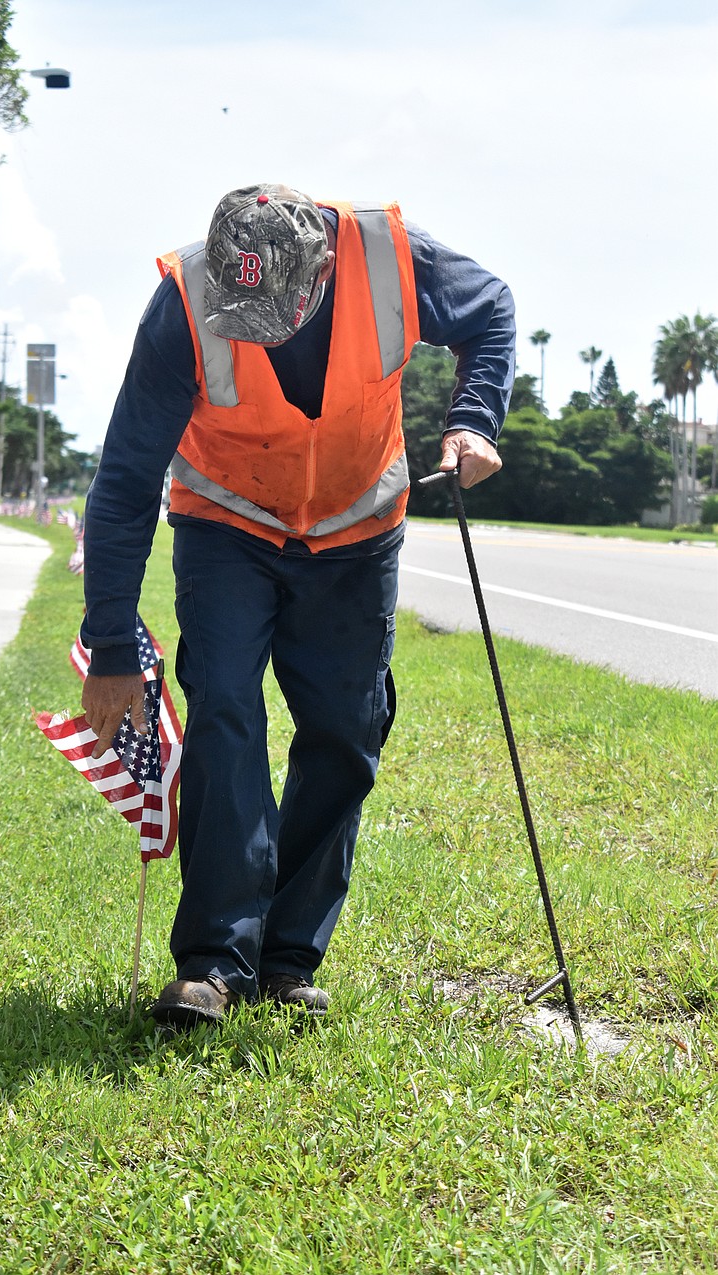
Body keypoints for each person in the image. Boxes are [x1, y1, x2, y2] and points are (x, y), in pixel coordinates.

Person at [80, 183, 515, 1029]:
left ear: (319, 270)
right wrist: (110, 649)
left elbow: (492, 308)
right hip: (227, 526)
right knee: (226, 717)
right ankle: (213, 959)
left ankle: (286, 960)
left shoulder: (390, 258)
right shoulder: (182, 303)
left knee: (346, 731)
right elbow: (126, 481)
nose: (256, 335)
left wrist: (474, 419)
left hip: (356, 528)